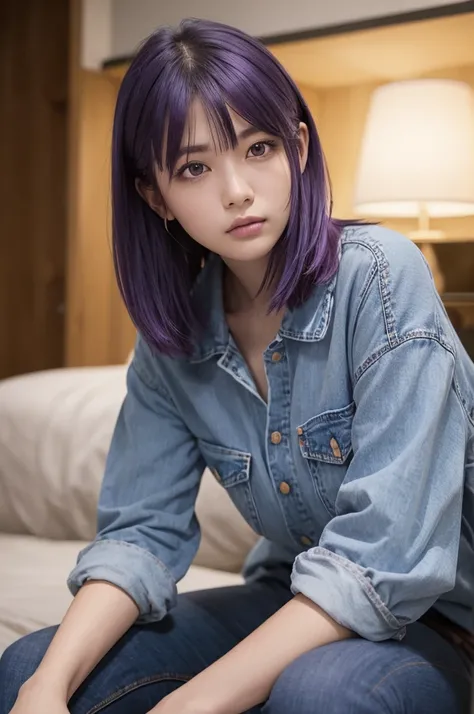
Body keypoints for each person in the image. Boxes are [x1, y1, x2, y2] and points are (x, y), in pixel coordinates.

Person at [1, 17, 473, 714]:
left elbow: (382, 560)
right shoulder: (175, 332)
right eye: (194, 167)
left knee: (321, 694)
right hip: (291, 595)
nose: (237, 191)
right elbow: (141, 535)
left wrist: (186, 705)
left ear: (299, 148)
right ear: (154, 194)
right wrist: (45, 689)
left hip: (442, 617)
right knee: (31, 663)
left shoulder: (380, 278)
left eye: (258, 148)